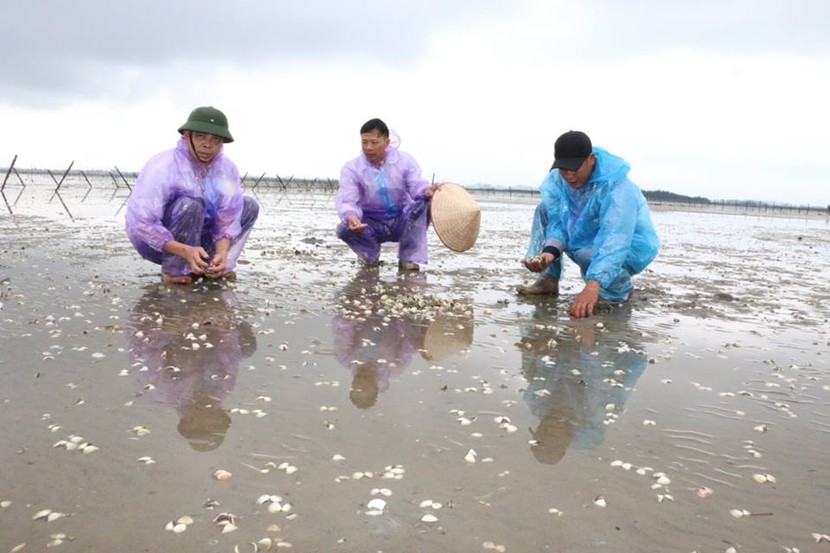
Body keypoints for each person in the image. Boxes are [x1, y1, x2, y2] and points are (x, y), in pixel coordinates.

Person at [518, 130, 658, 318]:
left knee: (587, 255)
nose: (568, 175)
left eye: (574, 168)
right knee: (544, 209)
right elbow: (558, 221)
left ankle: (617, 292)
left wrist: (593, 285)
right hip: (585, 236)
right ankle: (549, 279)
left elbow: (615, 238)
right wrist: (548, 254)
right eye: (563, 168)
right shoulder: (559, 180)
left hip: (627, 245)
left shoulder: (617, 187)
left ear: (591, 159)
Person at [125, 106, 259, 285]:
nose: (207, 145)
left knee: (249, 205)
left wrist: (221, 253)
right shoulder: (163, 166)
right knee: (192, 204)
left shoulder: (226, 169)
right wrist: (184, 250)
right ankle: (175, 270)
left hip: (199, 240)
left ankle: (215, 264)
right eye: (200, 136)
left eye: (215, 139)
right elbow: (142, 222)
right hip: (159, 244)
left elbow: (228, 217)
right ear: (186, 136)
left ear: (222, 143)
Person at [335, 118, 440, 272]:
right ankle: (369, 256)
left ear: (386, 141)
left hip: (402, 220)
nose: (368, 147)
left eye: (374, 142)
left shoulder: (404, 161)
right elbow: (348, 198)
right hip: (370, 223)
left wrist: (426, 191)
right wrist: (352, 217)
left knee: (425, 203)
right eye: (364, 142)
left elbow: (416, 184)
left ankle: (408, 258)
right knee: (344, 228)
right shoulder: (352, 168)